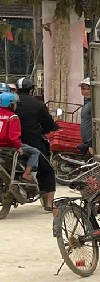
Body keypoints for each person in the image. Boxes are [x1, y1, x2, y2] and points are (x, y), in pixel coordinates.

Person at [12, 78, 58, 211]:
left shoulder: (10, 104)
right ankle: (49, 204)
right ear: (31, 89)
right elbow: (48, 124)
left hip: (10, 145)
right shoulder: (37, 105)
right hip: (32, 144)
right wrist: (53, 128)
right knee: (48, 171)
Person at [0, 92, 43, 180]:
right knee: (35, 152)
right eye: (15, 103)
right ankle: (27, 174)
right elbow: (13, 136)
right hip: (8, 145)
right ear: (10, 104)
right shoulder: (13, 117)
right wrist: (18, 147)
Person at [77, 77, 93, 158]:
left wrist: (92, 143)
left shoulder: (93, 104)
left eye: (89, 88)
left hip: (92, 143)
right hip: (86, 142)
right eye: (83, 88)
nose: (86, 91)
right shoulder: (87, 103)